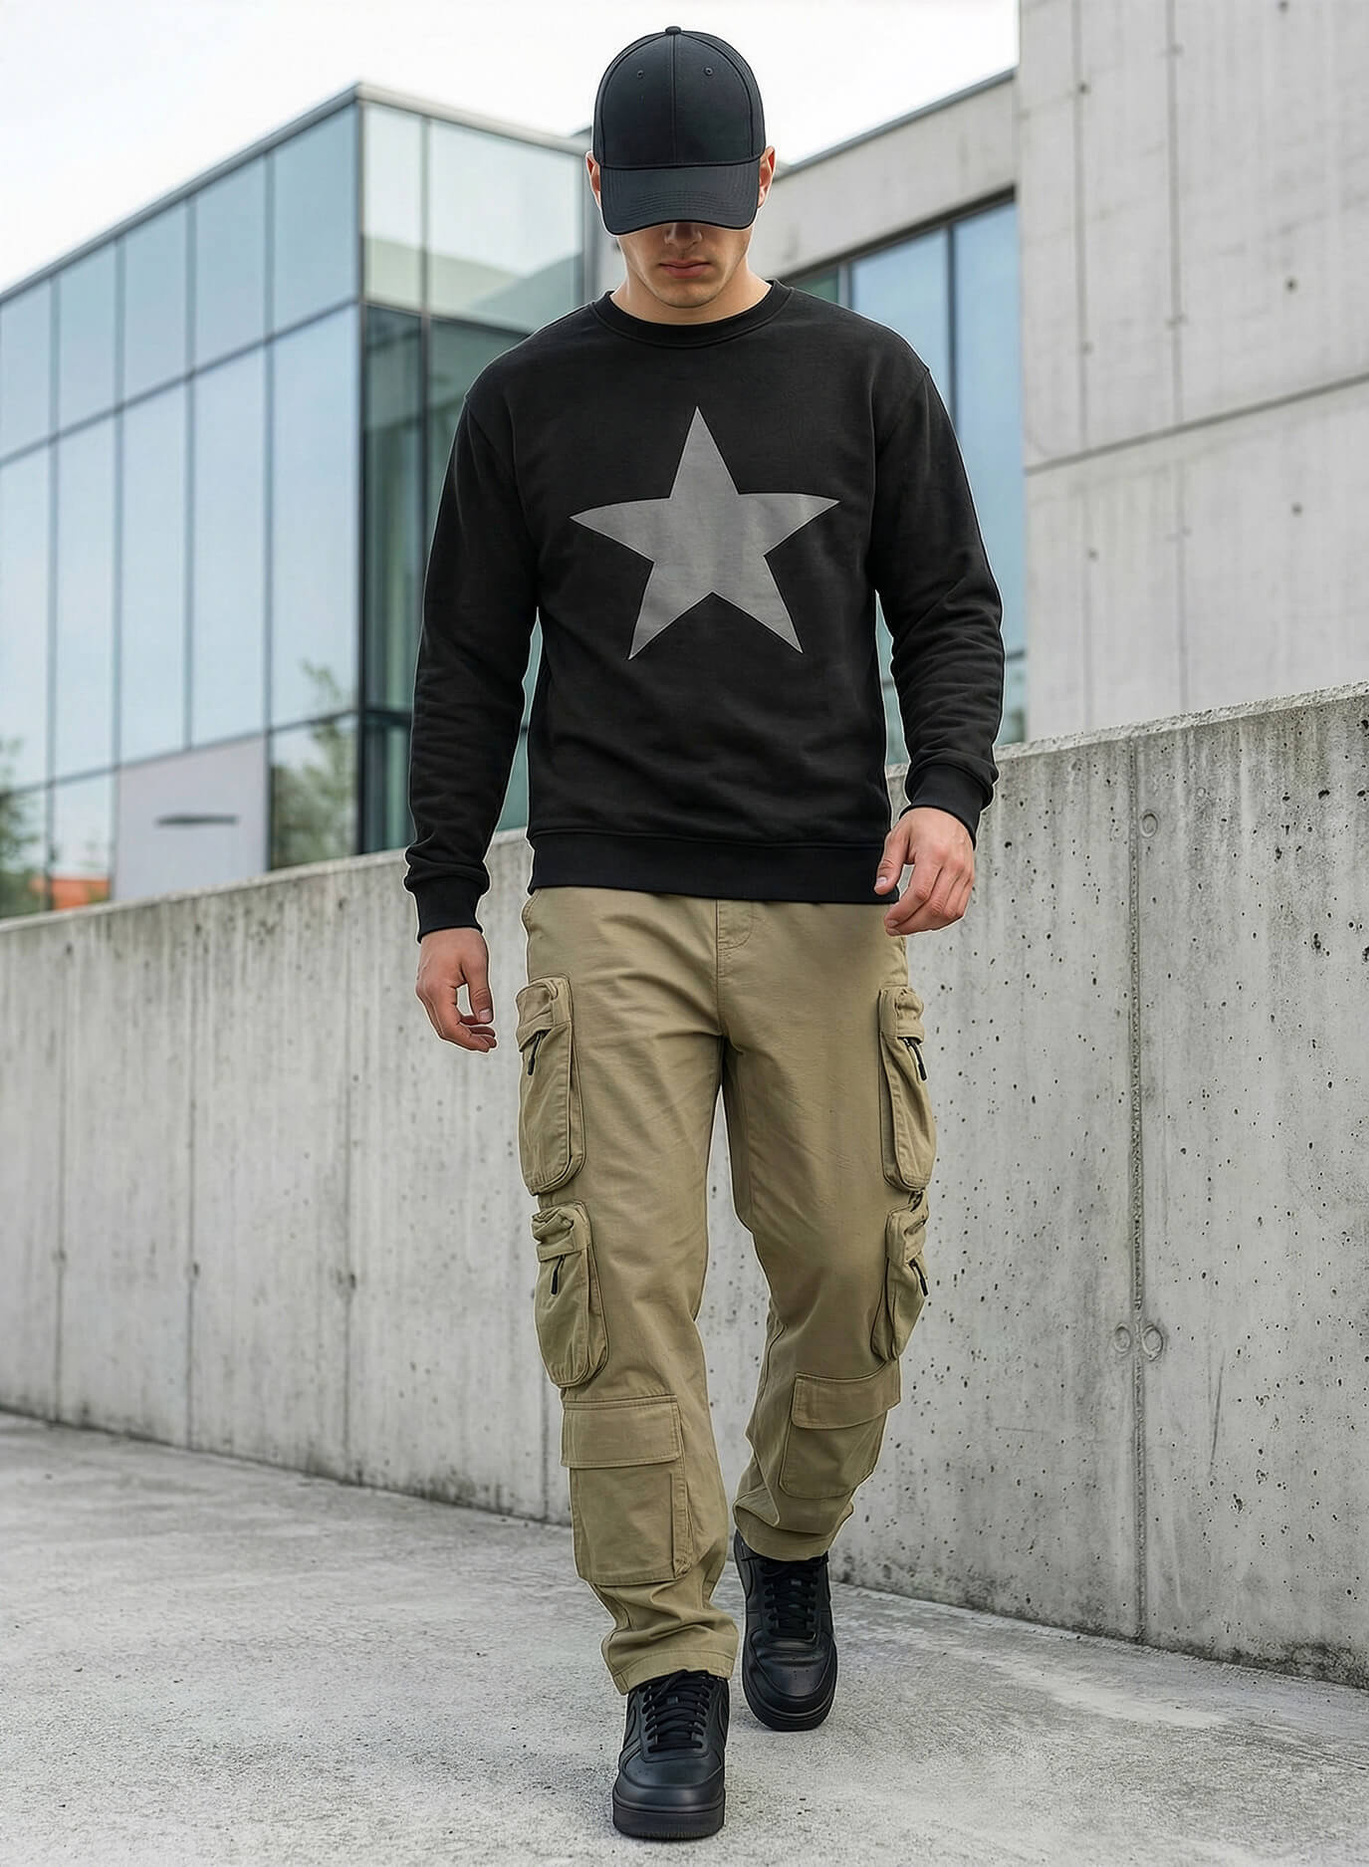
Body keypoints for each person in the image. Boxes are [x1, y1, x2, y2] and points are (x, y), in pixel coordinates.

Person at [404, 22, 1005, 1843]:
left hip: (828, 895)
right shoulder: (524, 401)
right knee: (621, 1286)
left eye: (711, 207)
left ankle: (787, 1538)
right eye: (649, 207)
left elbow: (948, 610)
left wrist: (945, 795)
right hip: (608, 898)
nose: (681, 238)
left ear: (764, 181)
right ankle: (668, 1665)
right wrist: (444, 895)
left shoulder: (866, 375)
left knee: (852, 1266)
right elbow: (465, 664)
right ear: (601, 189)